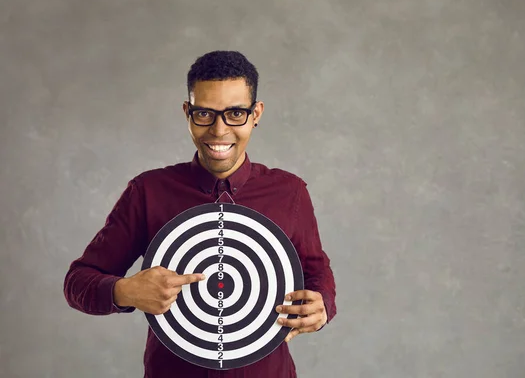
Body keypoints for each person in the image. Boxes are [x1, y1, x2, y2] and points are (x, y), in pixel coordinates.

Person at [63, 50, 337, 378]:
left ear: (256, 114)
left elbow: (315, 269)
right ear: (187, 112)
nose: (219, 131)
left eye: (235, 113)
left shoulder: (289, 192)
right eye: (205, 113)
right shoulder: (148, 191)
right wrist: (125, 291)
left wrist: (321, 305)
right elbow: (78, 281)